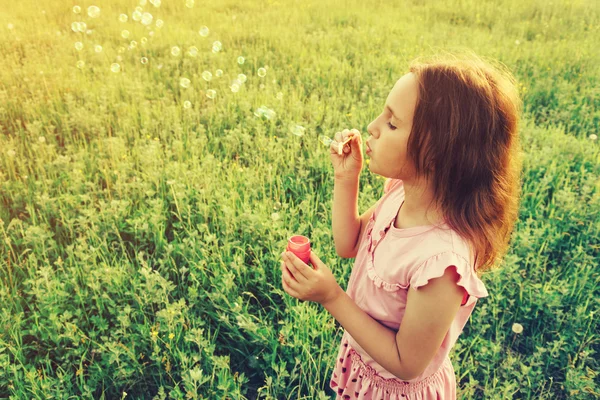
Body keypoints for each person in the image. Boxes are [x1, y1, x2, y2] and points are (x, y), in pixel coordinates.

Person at [280, 51, 522, 399]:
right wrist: (346, 179)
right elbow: (349, 245)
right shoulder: (400, 194)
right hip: (365, 369)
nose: (373, 127)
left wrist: (332, 296)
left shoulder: (440, 262)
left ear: (437, 153)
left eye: (392, 123)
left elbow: (406, 363)